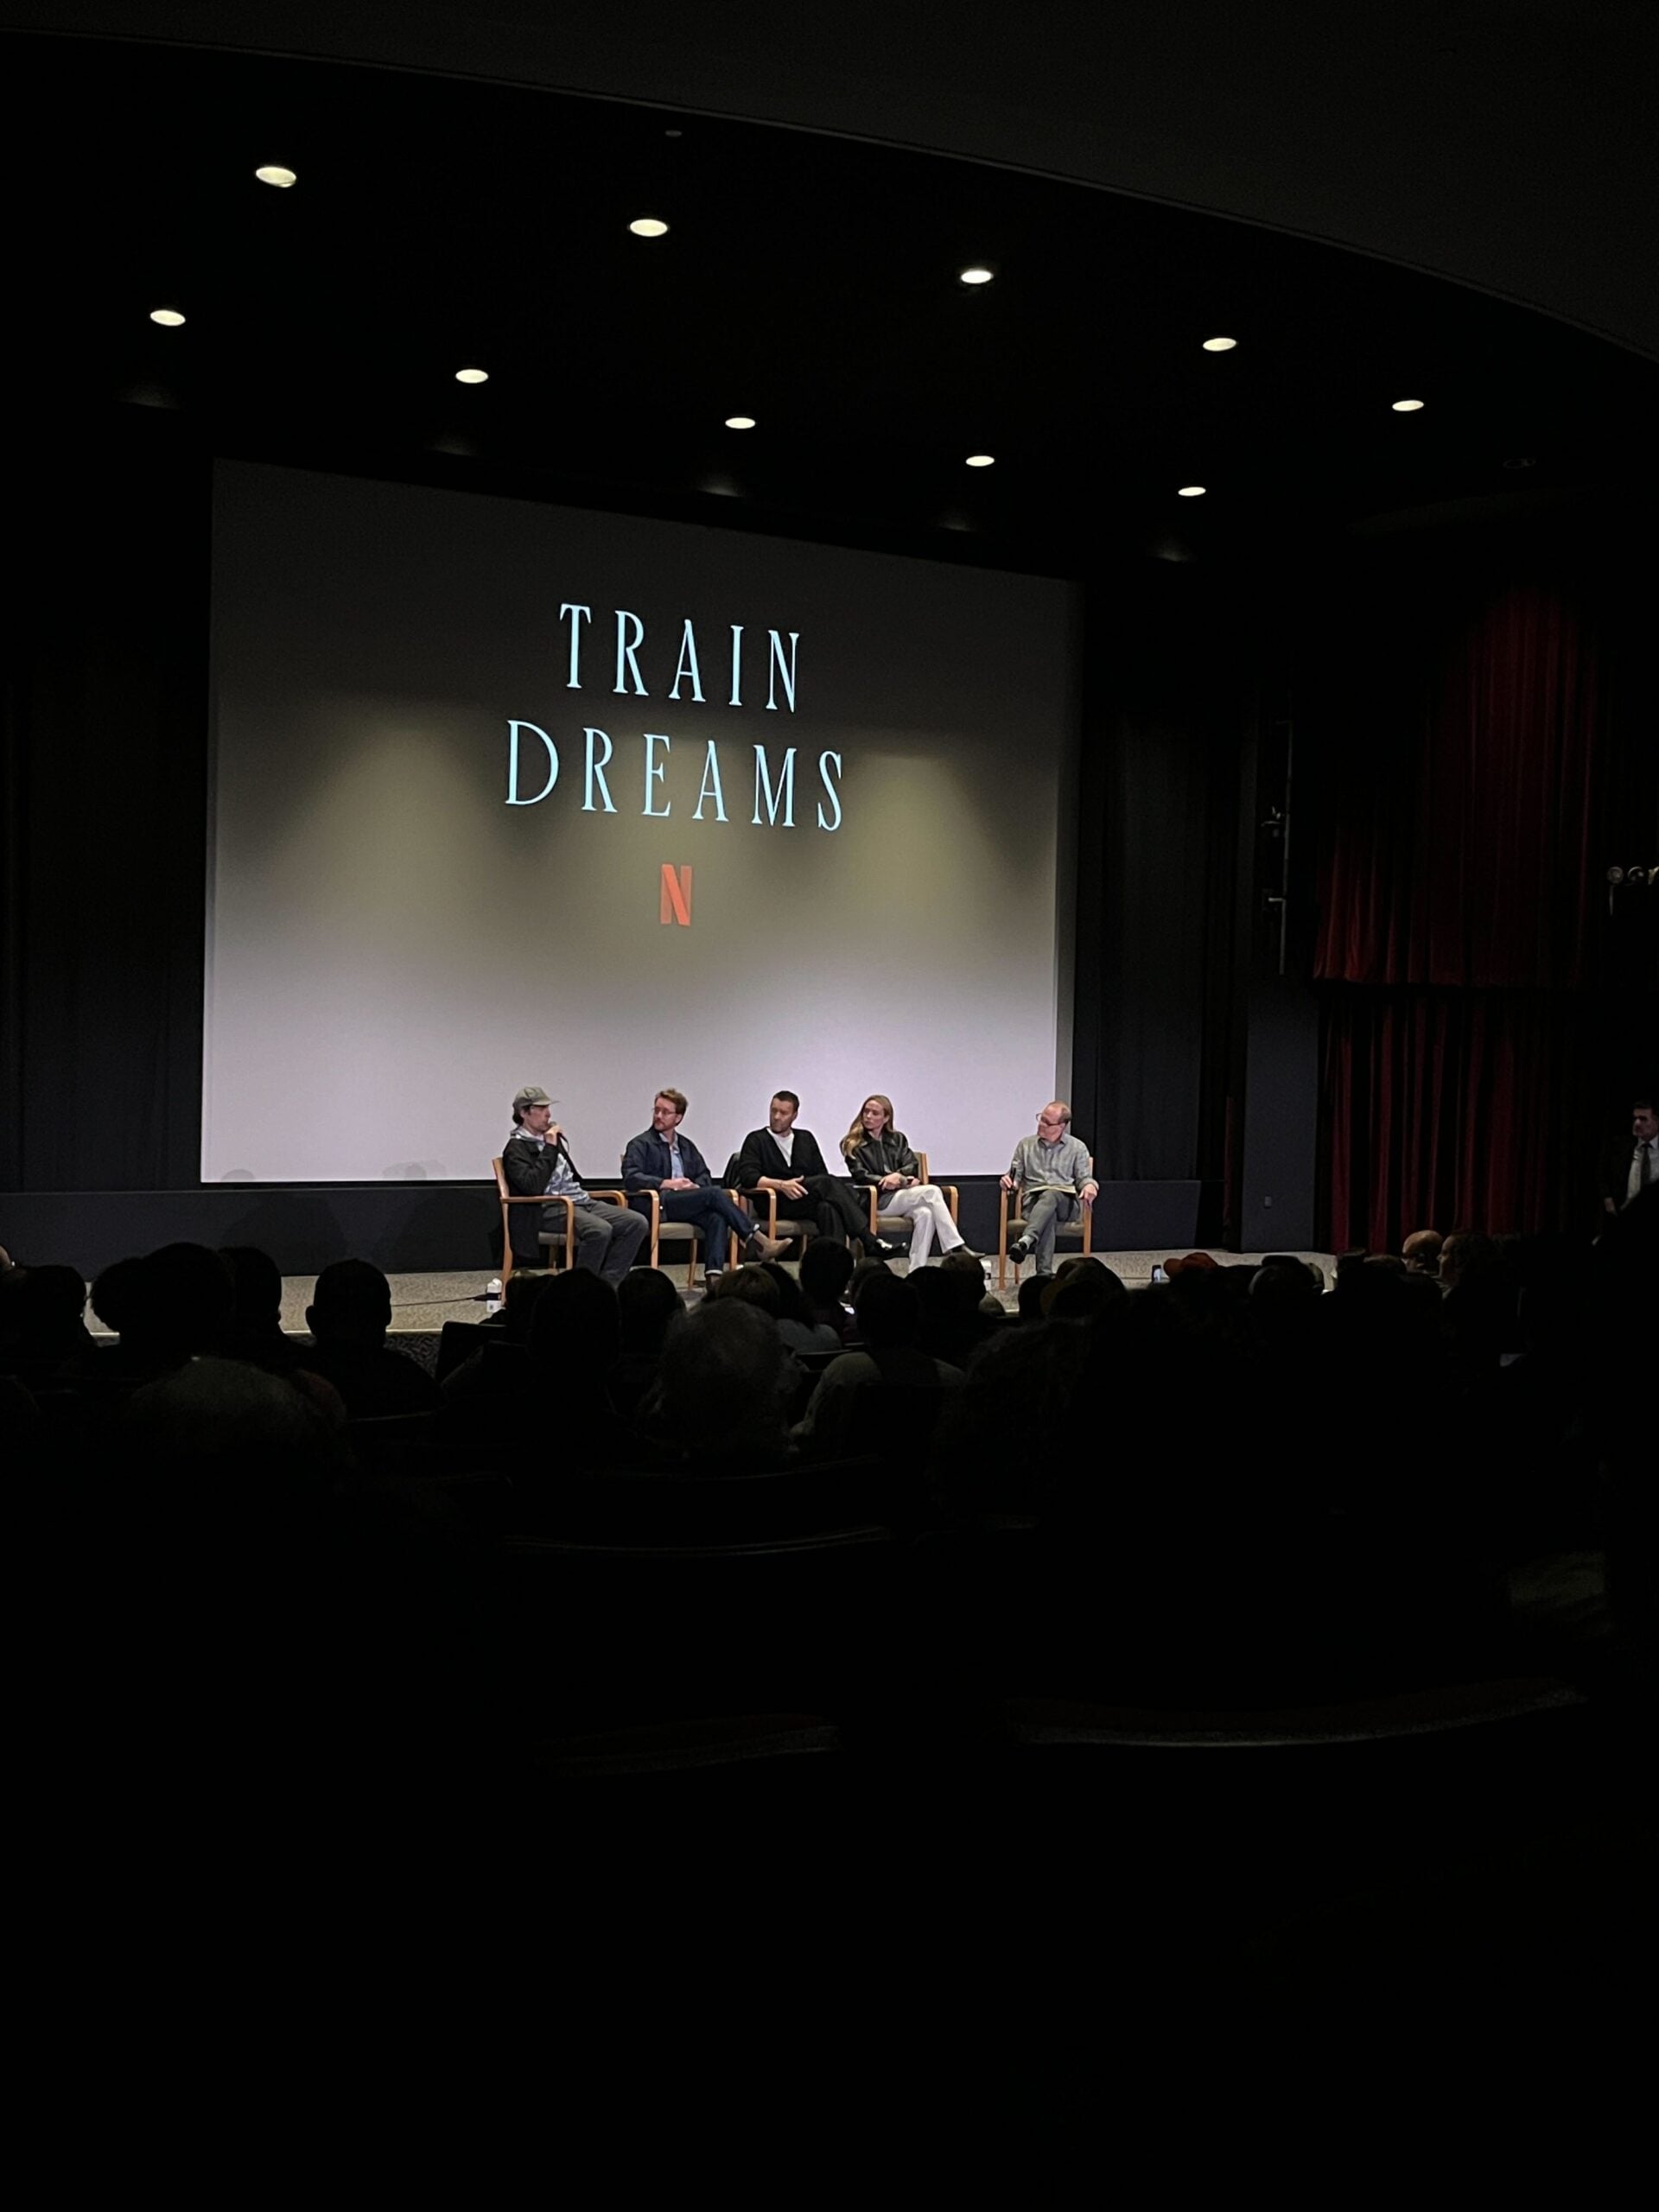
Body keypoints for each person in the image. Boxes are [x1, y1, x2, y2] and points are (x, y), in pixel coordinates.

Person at [621, 1088, 785, 1281]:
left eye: (665, 1112)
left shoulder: (686, 1146)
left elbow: (704, 1175)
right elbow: (631, 1177)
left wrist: (694, 1187)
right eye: (656, 1110)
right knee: (715, 1194)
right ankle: (757, 1238)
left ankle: (713, 1278)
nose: (658, 1116)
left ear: (678, 1118)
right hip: (658, 1203)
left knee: (716, 1217)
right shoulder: (640, 1144)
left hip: (686, 1202)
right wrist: (666, 1183)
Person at [501, 1084, 649, 1286]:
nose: (548, 1114)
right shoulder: (516, 1148)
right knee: (599, 1230)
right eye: (542, 1109)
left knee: (636, 1222)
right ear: (524, 1113)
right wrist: (550, 1147)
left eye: (548, 1108)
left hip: (578, 1201)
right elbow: (533, 1186)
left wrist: (552, 1144)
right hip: (547, 1209)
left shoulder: (550, 1140)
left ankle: (608, 1286)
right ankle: (579, 1291)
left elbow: (570, 1178)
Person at [735, 1091, 898, 1256]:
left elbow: (820, 1173)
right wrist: (782, 1185)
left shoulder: (805, 1138)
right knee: (827, 1184)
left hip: (804, 1198)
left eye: (783, 1113)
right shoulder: (756, 1139)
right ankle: (869, 1240)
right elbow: (749, 1178)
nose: (777, 1117)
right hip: (774, 1201)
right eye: (773, 1111)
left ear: (794, 1115)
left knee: (828, 1207)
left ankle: (835, 1267)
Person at [839, 1094, 980, 1267]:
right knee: (932, 1191)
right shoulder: (853, 1143)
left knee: (925, 1214)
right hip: (875, 1200)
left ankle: (916, 1271)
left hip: (901, 1196)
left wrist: (900, 1178)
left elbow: (911, 1165)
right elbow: (860, 1175)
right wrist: (889, 1180)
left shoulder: (897, 1139)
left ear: (886, 1117)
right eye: (866, 1112)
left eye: (875, 1113)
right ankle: (955, 1246)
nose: (868, 1116)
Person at [1001, 1102, 1098, 1276]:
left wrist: (1090, 1186)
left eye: (1047, 1122)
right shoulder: (1025, 1145)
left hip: (1065, 1202)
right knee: (1047, 1214)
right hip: (1033, 1203)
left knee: (1052, 1194)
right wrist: (1008, 1182)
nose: (1041, 1124)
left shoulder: (1077, 1147)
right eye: (1041, 1119)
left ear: (1061, 1126)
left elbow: (1084, 1178)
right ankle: (1043, 1273)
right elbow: (1015, 1178)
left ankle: (1027, 1239)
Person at [1601, 1096, 1659, 1218]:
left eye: (1643, 1119)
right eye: (1635, 1119)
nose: (1637, 1123)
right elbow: (1602, 1172)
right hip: (1625, 1215)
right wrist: (1608, 1198)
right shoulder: (1620, 1146)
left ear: (1656, 1121)